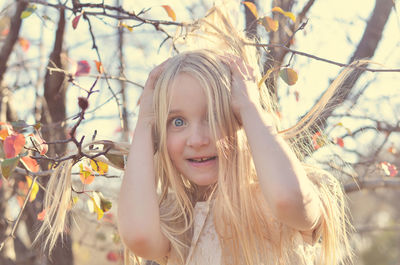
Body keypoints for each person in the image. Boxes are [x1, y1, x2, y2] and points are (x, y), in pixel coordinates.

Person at [117, 7, 354, 265]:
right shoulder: (178, 223)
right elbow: (138, 236)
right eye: (177, 121)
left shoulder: (290, 194)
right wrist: (145, 122)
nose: (197, 140)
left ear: (241, 122)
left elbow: (287, 200)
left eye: (214, 116)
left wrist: (251, 107)